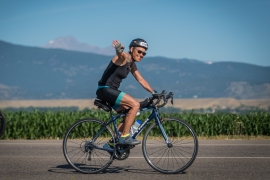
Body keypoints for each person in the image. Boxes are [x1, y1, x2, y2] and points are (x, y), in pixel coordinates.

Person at [96, 38, 155, 146]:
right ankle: (124, 137)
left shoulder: (132, 65)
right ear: (132, 49)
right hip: (105, 89)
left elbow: (141, 80)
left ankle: (112, 144)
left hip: (111, 91)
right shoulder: (125, 58)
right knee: (135, 105)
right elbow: (120, 55)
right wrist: (118, 49)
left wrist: (154, 92)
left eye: (144, 53)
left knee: (128, 116)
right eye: (139, 52)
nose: (141, 55)